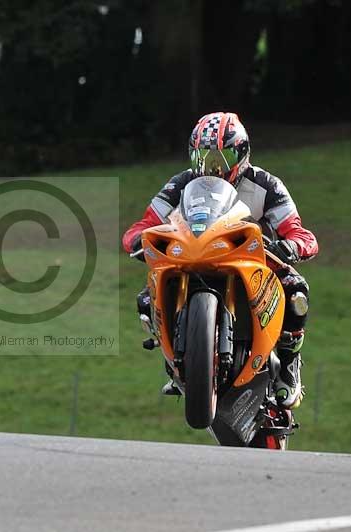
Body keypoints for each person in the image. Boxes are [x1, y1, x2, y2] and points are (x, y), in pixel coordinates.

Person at [122, 112, 318, 409]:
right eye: (202, 158)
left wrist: (292, 245)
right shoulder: (180, 184)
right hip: (193, 254)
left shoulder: (267, 184)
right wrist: (138, 238)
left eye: (221, 158)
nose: (212, 167)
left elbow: (299, 231)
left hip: (253, 260)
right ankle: (175, 360)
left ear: (242, 153)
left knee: (296, 290)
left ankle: (289, 366)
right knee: (145, 299)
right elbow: (145, 223)